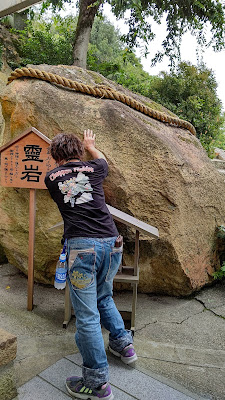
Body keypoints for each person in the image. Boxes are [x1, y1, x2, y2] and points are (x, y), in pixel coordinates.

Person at [45, 130, 137, 400]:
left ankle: (96, 384)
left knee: (86, 316)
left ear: (55, 156)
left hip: (82, 248)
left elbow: (68, 188)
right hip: (112, 244)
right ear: (80, 152)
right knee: (104, 296)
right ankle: (124, 346)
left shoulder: (51, 178)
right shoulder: (95, 167)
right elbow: (103, 161)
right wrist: (92, 146)